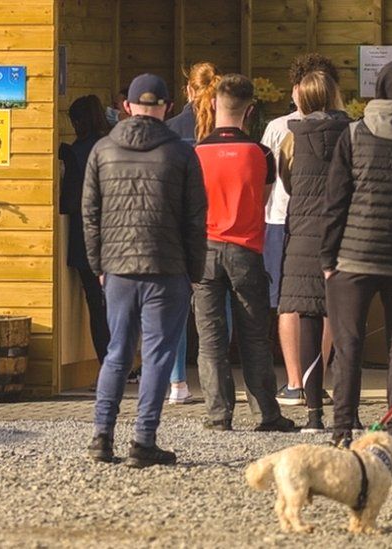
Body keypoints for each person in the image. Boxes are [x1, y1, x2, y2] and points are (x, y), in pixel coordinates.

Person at [84, 74, 208, 468]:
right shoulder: (181, 153)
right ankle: (143, 441)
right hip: (167, 266)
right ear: (168, 107)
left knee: (117, 352)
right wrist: (194, 269)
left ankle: (101, 437)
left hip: (118, 268)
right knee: (157, 355)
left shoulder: (103, 150)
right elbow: (195, 218)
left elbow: (91, 215)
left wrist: (98, 264)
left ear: (127, 106)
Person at [321, 61, 392, 472]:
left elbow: (336, 201)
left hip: (352, 255)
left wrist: (327, 258)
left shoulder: (352, 133)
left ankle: (343, 434)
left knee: (348, 346)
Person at [193, 74, 296, 433]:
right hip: (246, 250)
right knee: (253, 336)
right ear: (251, 110)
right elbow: (264, 202)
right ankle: (266, 414)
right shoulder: (260, 154)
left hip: (205, 251)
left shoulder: (197, 153)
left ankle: (218, 416)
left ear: (212, 105)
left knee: (211, 339)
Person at [261, 53, 341, 407]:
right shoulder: (347, 128)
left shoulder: (281, 129)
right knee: (329, 302)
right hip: (332, 221)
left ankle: (295, 381)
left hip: (286, 218)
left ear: (298, 90)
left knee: (289, 302)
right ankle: (317, 378)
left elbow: (278, 178)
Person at [276, 70, 349, 433]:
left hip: (304, 235)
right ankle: (346, 413)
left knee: (307, 320)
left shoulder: (291, 138)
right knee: (346, 319)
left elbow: (287, 182)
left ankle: (313, 413)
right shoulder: (352, 133)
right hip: (345, 235)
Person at [165, 61, 222, 404]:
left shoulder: (171, 129)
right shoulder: (225, 127)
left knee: (175, 309)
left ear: (188, 89)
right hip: (216, 225)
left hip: (178, 226)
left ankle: (177, 385)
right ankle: (218, 382)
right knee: (218, 307)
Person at [59, 95, 111, 367]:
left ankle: (108, 363)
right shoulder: (110, 145)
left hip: (85, 234)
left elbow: (69, 201)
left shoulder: (76, 153)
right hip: (115, 233)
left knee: (96, 302)